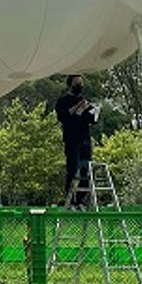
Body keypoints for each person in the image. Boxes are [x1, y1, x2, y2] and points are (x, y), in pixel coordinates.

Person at [54, 74, 98, 202]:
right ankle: (69, 197)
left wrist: (93, 113)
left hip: (85, 138)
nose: (79, 86)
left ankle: (80, 199)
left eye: (81, 83)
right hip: (72, 139)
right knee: (72, 169)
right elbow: (62, 117)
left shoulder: (85, 101)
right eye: (77, 83)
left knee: (86, 170)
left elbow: (92, 120)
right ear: (70, 84)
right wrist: (76, 108)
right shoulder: (62, 101)